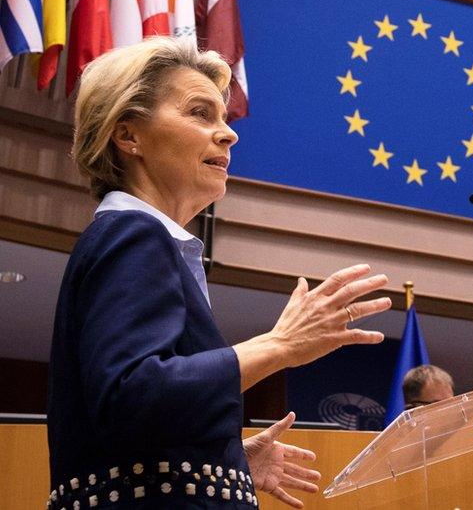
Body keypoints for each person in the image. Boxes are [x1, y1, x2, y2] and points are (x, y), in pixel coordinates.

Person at [47, 37, 393, 509]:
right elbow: (132, 397)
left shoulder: (133, 238)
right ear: (128, 136)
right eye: (199, 113)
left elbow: (131, 423)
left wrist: (226, 459)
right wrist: (280, 345)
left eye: (224, 119)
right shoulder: (134, 235)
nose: (228, 134)